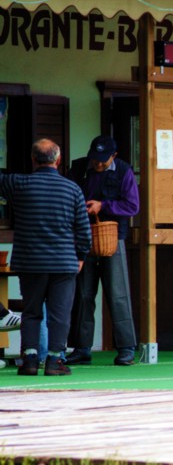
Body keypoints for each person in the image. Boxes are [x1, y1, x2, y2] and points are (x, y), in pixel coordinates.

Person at [0, 139, 91, 376]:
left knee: (31, 311)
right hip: (63, 262)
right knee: (59, 313)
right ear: (58, 160)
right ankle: (54, 361)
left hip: (30, 262)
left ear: (33, 159)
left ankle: (30, 359)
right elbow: (83, 230)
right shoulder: (73, 190)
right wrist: (80, 256)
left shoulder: (19, 184)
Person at [66, 135, 139, 366]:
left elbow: (132, 205)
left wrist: (103, 205)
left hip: (112, 237)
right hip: (83, 237)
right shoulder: (78, 168)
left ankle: (126, 348)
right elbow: (67, 197)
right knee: (83, 293)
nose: (98, 164)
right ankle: (82, 347)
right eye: (95, 159)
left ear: (113, 156)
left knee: (118, 294)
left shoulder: (124, 171)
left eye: (103, 160)